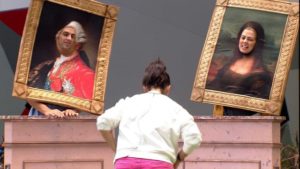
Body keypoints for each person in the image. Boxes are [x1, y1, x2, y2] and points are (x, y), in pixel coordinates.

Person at [96, 59, 202, 169]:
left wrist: (116, 149)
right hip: (160, 163)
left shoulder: (128, 103)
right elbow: (194, 138)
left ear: (144, 87)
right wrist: (179, 158)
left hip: (126, 162)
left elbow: (103, 122)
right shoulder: (177, 109)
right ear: (168, 88)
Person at [27, 21, 95, 117]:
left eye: (73, 36)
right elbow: (29, 94)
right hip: (38, 116)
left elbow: (86, 101)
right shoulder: (44, 66)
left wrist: (72, 110)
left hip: (65, 121)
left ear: (78, 45)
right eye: (65, 34)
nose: (68, 38)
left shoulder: (86, 73)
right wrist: (46, 110)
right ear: (58, 38)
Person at [206, 21, 273, 115]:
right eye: (243, 37)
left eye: (250, 39)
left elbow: (261, 105)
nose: (245, 41)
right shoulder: (227, 65)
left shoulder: (262, 75)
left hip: (248, 124)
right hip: (221, 119)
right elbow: (214, 88)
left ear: (257, 43)